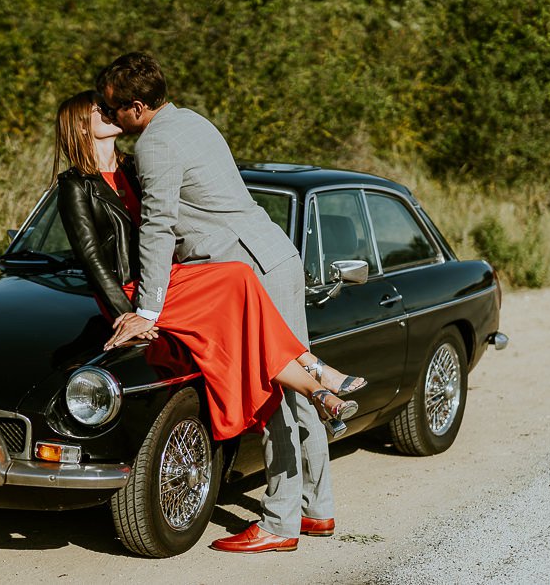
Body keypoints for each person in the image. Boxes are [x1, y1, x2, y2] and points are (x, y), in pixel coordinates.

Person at [53, 89, 363, 552]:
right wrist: (131, 315)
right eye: (99, 111)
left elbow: (164, 228)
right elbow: (94, 259)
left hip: (173, 282)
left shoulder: (136, 167)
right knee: (240, 286)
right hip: (139, 293)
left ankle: (298, 493)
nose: (110, 113)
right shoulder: (75, 185)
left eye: (111, 106)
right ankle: (315, 377)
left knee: (241, 291)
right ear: (80, 126)